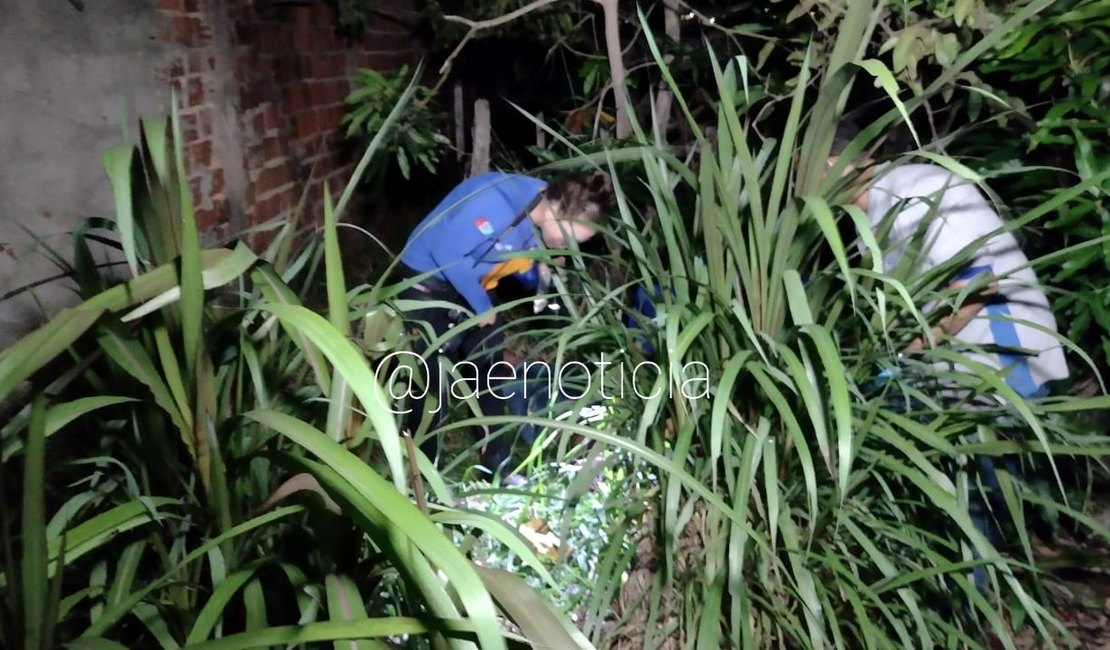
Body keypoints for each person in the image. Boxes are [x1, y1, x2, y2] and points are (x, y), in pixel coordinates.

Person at [825, 119, 1070, 593]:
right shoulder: (871, 218)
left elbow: (978, 284)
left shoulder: (918, 189)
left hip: (1000, 361)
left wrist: (901, 356)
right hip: (953, 372)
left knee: (975, 501)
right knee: (950, 494)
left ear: (834, 165)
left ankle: (974, 611)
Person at [393, 169, 614, 481]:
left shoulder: (538, 206)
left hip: (472, 283)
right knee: (431, 385)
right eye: (567, 237)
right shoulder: (497, 202)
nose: (567, 246)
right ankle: (422, 478)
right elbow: (446, 253)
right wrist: (482, 306)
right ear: (558, 210)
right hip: (427, 282)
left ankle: (495, 464)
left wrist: (541, 275)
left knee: (490, 366)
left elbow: (506, 254)